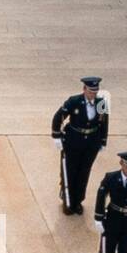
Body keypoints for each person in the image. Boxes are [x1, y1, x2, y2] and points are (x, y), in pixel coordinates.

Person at [52, 76, 108, 215]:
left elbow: (104, 123)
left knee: (84, 172)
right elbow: (59, 116)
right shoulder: (74, 101)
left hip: (91, 143)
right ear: (84, 89)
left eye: (95, 92)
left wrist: (102, 140)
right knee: (70, 171)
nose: (93, 94)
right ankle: (68, 201)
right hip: (73, 141)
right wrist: (56, 135)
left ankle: (78, 201)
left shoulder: (101, 103)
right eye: (90, 91)